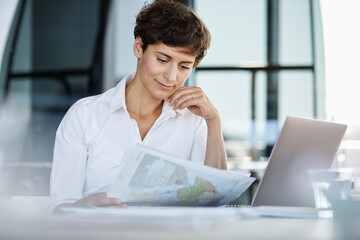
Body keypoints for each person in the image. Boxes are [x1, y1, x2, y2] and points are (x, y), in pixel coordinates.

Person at [48, 0, 227, 214]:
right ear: (139, 48)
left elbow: (215, 202)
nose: (171, 76)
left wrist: (214, 121)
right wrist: (81, 208)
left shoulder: (194, 121)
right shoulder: (85, 115)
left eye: (184, 66)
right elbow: (57, 208)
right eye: (162, 60)